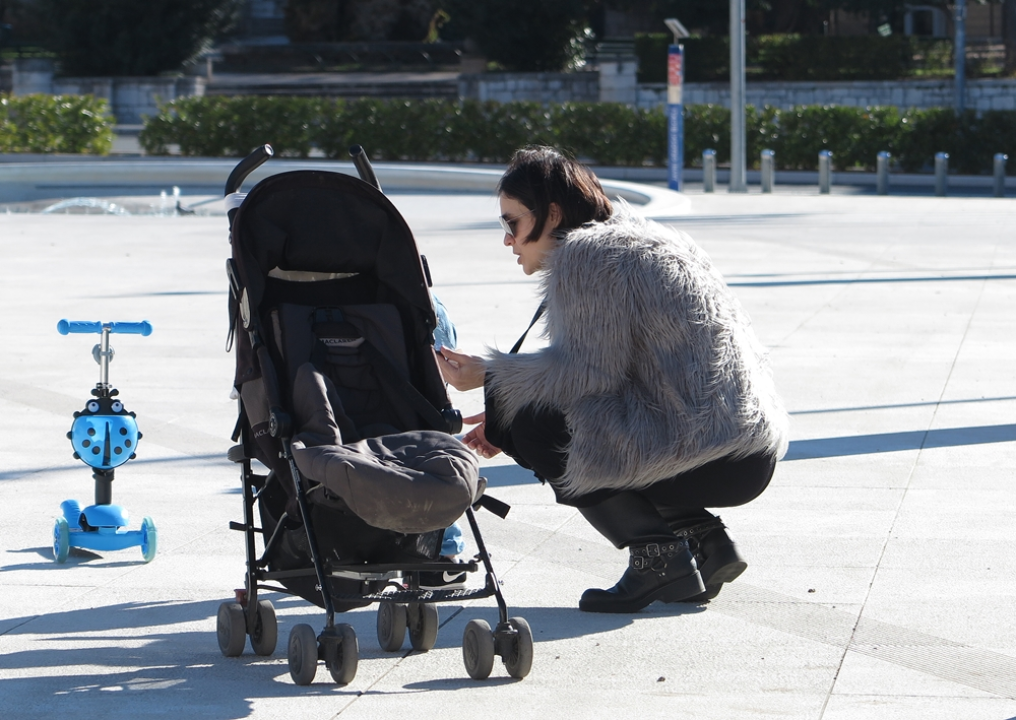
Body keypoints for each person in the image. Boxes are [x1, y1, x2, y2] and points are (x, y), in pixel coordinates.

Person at [435, 146, 789, 613]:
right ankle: (706, 543)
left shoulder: (587, 256)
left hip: (706, 452)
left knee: (529, 423)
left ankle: (657, 558)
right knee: (518, 410)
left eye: (511, 223)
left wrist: (489, 376)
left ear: (552, 213)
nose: (508, 240)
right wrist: (508, 398)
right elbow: (611, 373)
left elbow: (583, 374)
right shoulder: (643, 242)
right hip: (745, 451)